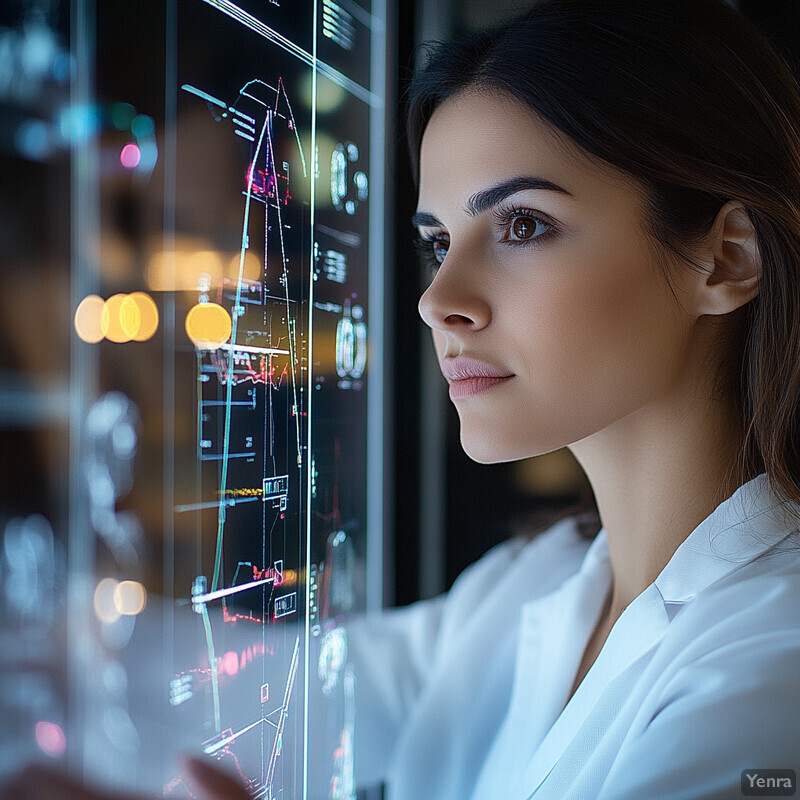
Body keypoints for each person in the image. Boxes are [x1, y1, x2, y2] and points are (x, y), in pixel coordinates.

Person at [3, 0, 800, 797]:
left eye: (523, 225)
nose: (439, 299)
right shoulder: (530, 584)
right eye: (438, 244)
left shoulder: (775, 662)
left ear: (725, 260)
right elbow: (270, 689)